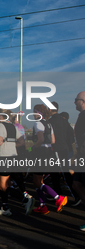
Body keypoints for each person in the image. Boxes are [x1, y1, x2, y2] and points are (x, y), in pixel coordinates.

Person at [0, 109, 34, 216]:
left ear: (1, 116)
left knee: (3, 185)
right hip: (13, 156)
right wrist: (11, 145)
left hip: (3, 156)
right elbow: (22, 141)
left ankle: (25, 200)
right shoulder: (13, 127)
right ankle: (5, 207)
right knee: (6, 184)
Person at [30, 104, 67, 214]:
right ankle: (42, 206)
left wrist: (32, 148)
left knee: (37, 181)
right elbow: (53, 141)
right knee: (37, 181)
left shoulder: (37, 123)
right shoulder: (48, 124)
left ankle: (58, 198)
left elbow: (40, 139)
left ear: (38, 113)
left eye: (34, 112)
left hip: (40, 153)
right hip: (48, 153)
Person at [72, 92, 85, 230]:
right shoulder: (81, 116)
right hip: (81, 156)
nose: (74, 102)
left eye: (76, 100)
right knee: (76, 184)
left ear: (83, 101)